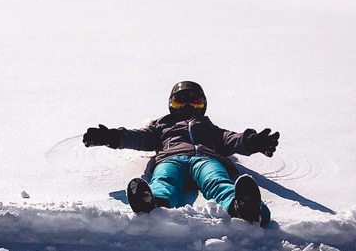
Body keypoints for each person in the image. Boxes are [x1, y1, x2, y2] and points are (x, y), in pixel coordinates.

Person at [82, 81, 279, 225]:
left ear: (203, 106)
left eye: (195, 102)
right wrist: (112, 137)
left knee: (216, 179)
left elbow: (229, 138)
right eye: (180, 102)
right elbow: (138, 137)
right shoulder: (161, 126)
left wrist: (252, 142)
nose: (187, 107)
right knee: (164, 179)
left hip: (205, 158)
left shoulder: (208, 126)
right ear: (171, 105)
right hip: (171, 158)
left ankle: (243, 207)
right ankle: (153, 202)